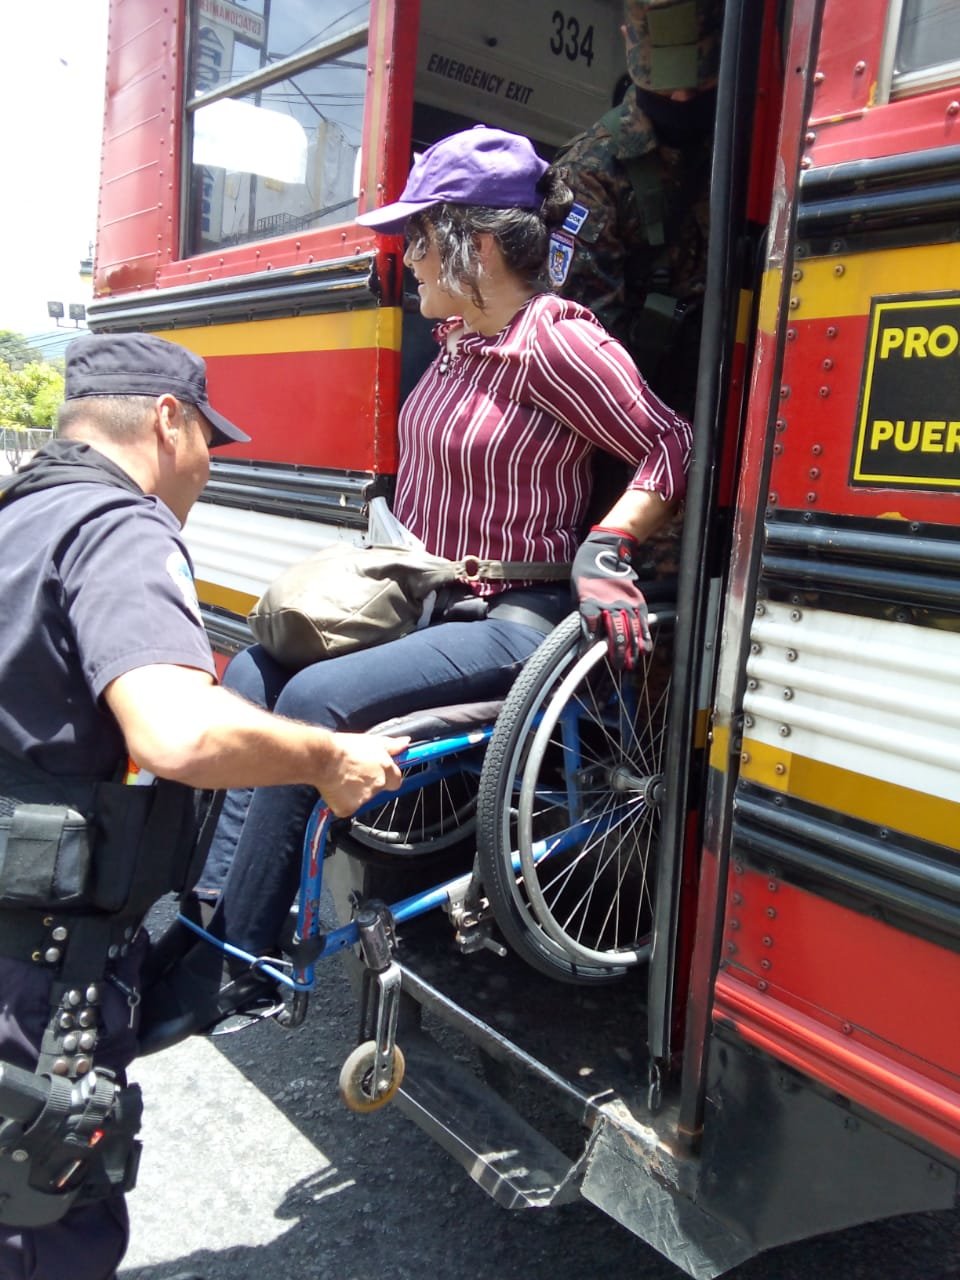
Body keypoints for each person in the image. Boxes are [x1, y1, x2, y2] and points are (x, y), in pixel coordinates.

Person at [165, 124, 693, 1018]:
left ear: (475, 246)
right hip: (431, 598)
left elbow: (669, 444)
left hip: (513, 613)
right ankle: (207, 916)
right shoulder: (456, 341)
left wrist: (609, 544)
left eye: (419, 238)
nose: (406, 258)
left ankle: (241, 961)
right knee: (252, 671)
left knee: (312, 701)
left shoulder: (554, 342)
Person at [0, 333, 406, 1280]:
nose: (209, 469)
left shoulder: (20, 515)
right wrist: (327, 757)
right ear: (167, 421)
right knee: (42, 1228)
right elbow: (177, 731)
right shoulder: (120, 529)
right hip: (39, 971)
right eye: (209, 444)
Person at [550, 0, 721, 418]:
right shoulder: (592, 170)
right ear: (627, 43)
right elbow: (585, 347)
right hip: (638, 409)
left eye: (699, 84)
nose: (681, 98)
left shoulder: (742, 137)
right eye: (664, 85)